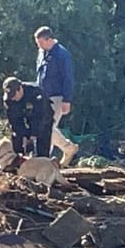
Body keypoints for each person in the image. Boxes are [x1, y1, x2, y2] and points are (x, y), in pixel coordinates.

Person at [34, 26, 78, 166]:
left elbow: (68, 78)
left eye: (41, 42)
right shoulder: (42, 53)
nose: (39, 46)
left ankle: (68, 148)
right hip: (43, 97)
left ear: (49, 39)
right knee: (43, 128)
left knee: (47, 127)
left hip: (57, 97)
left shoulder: (62, 54)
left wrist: (67, 100)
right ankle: (44, 158)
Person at [2, 77, 53, 158]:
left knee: (43, 141)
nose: (12, 98)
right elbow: (14, 121)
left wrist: (33, 134)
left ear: (20, 89)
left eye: (13, 95)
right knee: (17, 136)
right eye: (9, 96)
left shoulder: (36, 93)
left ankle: (43, 161)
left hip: (42, 118)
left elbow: (42, 117)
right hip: (23, 116)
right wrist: (24, 135)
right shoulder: (9, 100)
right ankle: (17, 163)